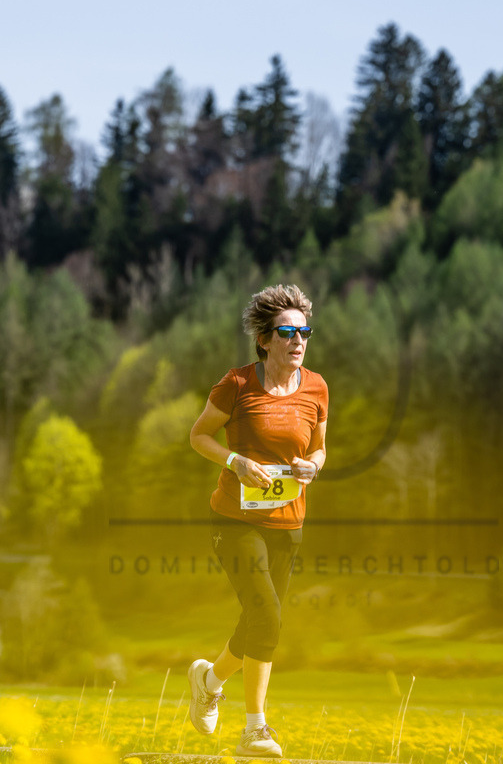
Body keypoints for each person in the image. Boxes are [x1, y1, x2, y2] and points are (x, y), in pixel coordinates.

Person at [187, 284, 328, 758]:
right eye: (287, 332)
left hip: (289, 522)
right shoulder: (237, 384)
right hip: (235, 520)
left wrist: (315, 465)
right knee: (267, 614)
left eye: (304, 331)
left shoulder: (316, 387)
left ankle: (208, 680)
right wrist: (236, 462)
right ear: (264, 339)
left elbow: (319, 446)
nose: (298, 341)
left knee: (259, 620)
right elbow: (199, 436)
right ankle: (255, 728)